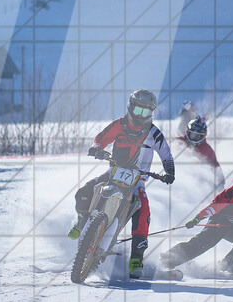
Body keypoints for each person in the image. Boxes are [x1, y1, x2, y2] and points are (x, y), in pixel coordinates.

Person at [68, 89, 176, 279]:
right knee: (83, 192)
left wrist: (169, 172)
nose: (141, 116)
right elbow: (100, 139)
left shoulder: (154, 133)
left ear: (151, 113)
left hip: (137, 180)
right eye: (138, 110)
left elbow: (166, 155)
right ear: (130, 107)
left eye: (146, 112)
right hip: (113, 171)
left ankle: (136, 259)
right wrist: (97, 149)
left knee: (143, 211)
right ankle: (81, 222)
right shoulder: (119, 125)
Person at [160, 155, 233, 274]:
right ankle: (166, 260)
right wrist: (197, 218)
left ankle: (229, 261)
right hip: (221, 222)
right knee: (203, 243)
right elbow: (216, 205)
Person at [172, 116, 225, 190]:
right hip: (176, 175)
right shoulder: (178, 142)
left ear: (203, 136)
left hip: (196, 181)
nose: (193, 138)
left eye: (197, 136)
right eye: (192, 134)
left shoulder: (207, 150)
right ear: (187, 132)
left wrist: (221, 183)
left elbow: (216, 167)